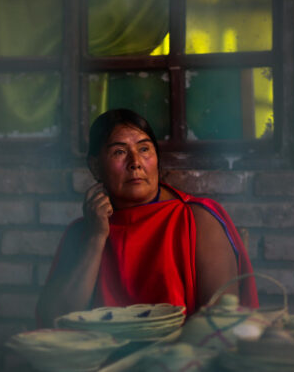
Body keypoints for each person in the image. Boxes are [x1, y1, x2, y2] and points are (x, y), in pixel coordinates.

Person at [36, 109, 258, 327]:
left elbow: (222, 323)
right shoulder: (84, 231)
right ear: (95, 166)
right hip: (102, 359)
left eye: (144, 149)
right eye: (119, 152)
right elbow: (55, 320)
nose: (135, 162)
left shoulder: (196, 220)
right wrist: (96, 238)